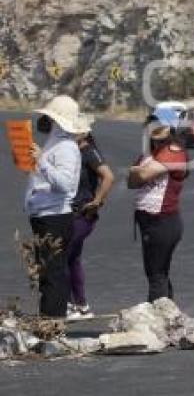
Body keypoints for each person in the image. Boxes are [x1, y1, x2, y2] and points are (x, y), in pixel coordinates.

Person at [24, 96, 88, 317]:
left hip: (55, 216)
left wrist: (41, 160)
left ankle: (52, 324)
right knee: (48, 272)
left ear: (58, 120)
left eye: (49, 116)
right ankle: (49, 322)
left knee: (53, 273)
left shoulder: (67, 147)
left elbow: (65, 184)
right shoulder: (55, 143)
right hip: (45, 215)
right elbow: (46, 177)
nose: (43, 119)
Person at [128, 112, 188, 302]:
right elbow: (131, 182)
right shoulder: (149, 154)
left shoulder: (174, 150)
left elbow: (142, 175)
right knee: (156, 272)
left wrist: (138, 172)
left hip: (163, 220)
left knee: (157, 274)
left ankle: (159, 317)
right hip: (149, 221)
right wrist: (138, 172)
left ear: (170, 129)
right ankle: (168, 315)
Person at [66, 132, 115, 319]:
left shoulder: (88, 151)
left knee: (61, 257)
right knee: (72, 258)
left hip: (81, 213)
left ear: (85, 133)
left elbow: (108, 177)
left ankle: (69, 304)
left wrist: (97, 201)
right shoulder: (71, 151)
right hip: (72, 212)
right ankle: (81, 305)